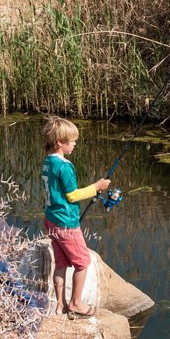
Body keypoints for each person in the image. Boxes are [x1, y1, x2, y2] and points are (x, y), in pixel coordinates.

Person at [41, 117, 110, 318]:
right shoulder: (65, 166)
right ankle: (76, 304)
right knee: (82, 262)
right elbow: (72, 195)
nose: (75, 143)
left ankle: (60, 304)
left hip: (51, 218)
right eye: (71, 141)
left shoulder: (47, 162)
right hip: (66, 222)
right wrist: (96, 187)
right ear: (59, 143)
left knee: (61, 263)